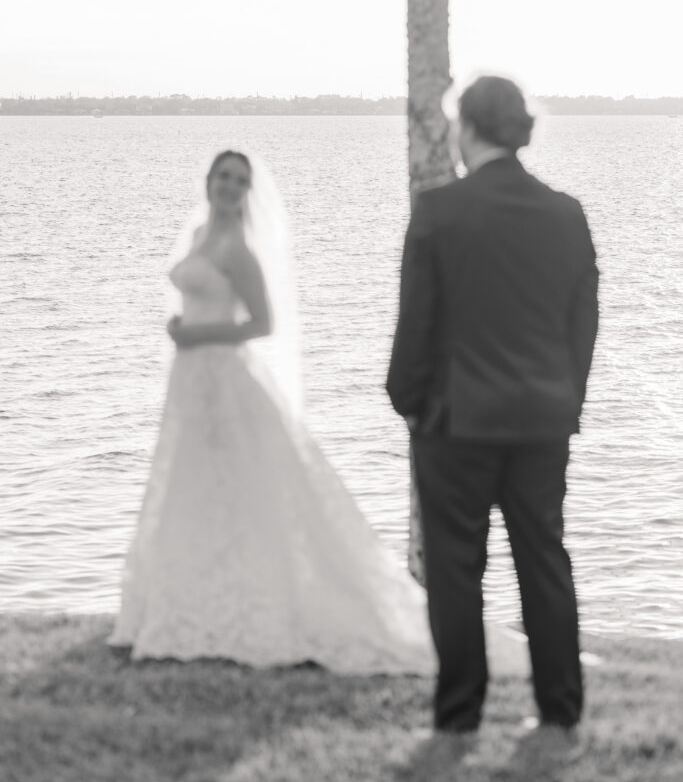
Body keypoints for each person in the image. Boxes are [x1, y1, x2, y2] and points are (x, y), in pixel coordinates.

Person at [110, 148, 448, 672]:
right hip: (191, 378)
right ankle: (193, 596)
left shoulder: (240, 250)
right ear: (208, 180)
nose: (230, 186)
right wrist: (181, 328)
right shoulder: (199, 235)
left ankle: (256, 598)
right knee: (194, 480)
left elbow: (262, 323)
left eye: (239, 180)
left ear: (248, 191)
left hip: (224, 376)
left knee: (240, 482)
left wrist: (195, 334)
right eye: (223, 176)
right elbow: (198, 299)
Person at [387, 75, 599, 732]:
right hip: (543, 418)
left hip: (455, 421)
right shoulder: (566, 213)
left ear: (469, 128)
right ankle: (560, 709)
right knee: (544, 560)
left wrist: (407, 401)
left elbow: (416, 325)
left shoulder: (438, 210)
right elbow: (582, 322)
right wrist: (566, 397)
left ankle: (458, 715)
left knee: (456, 570)